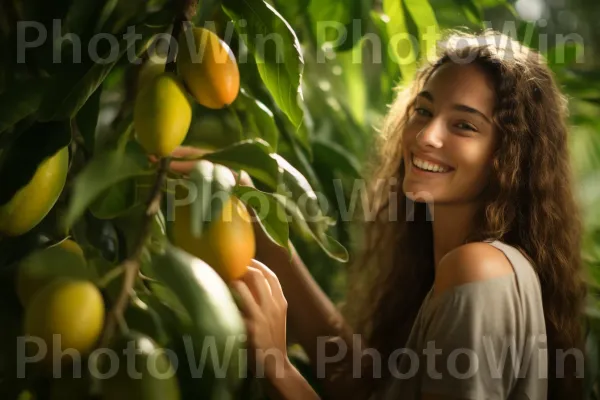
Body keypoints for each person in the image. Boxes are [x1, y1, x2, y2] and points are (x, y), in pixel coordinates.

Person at [168, 29, 588, 399]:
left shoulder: (476, 269)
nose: (425, 136)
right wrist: (254, 207)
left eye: (464, 126)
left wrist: (277, 366)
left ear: (509, 158)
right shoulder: (465, 265)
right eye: (423, 111)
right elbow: (362, 385)